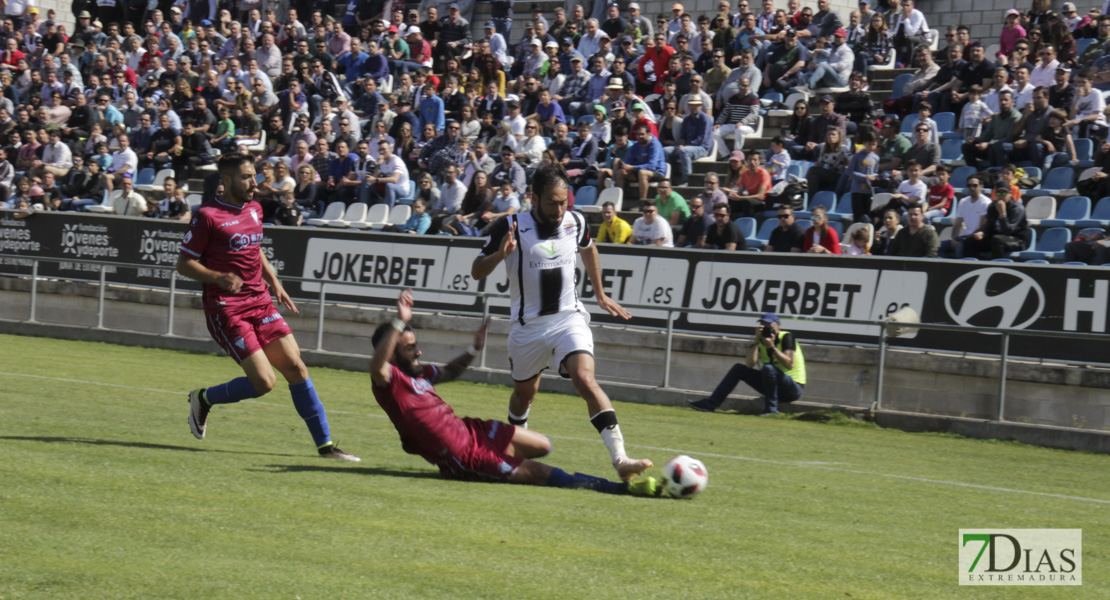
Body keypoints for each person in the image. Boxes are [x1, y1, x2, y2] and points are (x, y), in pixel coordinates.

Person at [370, 290, 661, 496]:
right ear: (392, 352)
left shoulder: (418, 373)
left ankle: (511, 466)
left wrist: (474, 349)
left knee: (543, 445)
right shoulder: (389, 379)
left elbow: (449, 372)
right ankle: (619, 489)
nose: (418, 350)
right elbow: (377, 364)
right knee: (542, 475)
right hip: (462, 455)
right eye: (409, 347)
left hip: (472, 430)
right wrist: (398, 321)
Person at [470, 164, 651, 481]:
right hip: (528, 328)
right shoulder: (510, 225)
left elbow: (589, 248)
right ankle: (518, 445)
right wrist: (501, 254)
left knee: (585, 379)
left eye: (563, 202)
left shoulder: (576, 221)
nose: (559, 209)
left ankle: (621, 459)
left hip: (569, 319)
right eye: (552, 202)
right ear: (534, 198)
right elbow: (476, 270)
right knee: (524, 394)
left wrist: (600, 293)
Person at [177, 154, 358, 462]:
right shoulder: (207, 216)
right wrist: (217, 277)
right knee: (264, 382)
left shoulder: (255, 209)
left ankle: (326, 446)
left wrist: (275, 282)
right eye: (247, 177)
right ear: (228, 181)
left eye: (255, 176)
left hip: (260, 301)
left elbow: (254, 248)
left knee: (296, 367)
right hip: (228, 308)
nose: (255, 182)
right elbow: (184, 263)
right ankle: (203, 398)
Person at [688, 312, 805, 415]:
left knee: (768, 368)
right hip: (771, 385)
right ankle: (710, 404)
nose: (765, 328)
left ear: (778, 328)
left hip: (792, 388)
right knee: (739, 368)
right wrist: (755, 342)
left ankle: (771, 410)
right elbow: (750, 364)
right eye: (762, 325)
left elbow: (790, 364)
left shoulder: (787, 337)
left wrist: (772, 347)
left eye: (769, 325)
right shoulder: (761, 341)